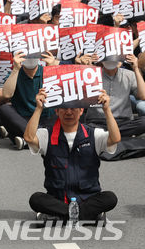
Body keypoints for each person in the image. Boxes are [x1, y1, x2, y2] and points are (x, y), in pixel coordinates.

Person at [24, 88, 120, 222]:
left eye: (74, 108)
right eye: (63, 108)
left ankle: (57, 215)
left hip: (87, 199)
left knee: (110, 198)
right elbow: (28, 138)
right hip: (57, 199)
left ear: (81, 111)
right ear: (56, 111)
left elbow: (115, 139)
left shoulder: (93, 134)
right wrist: (39, 108)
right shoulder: (47, 134)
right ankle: (87, 215)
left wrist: (107, 110)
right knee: (36, 199)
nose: (69, 112)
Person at [1, 51, 58, 148]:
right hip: (24, 119)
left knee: (65, 111)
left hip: (46, 117)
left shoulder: (46, 71)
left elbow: (59, 94)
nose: (30, 58)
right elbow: (6, 94)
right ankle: (40, 138)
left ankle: (28, 140)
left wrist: (52, 69)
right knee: (4, 109)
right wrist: (16, 69)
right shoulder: (15, 73)